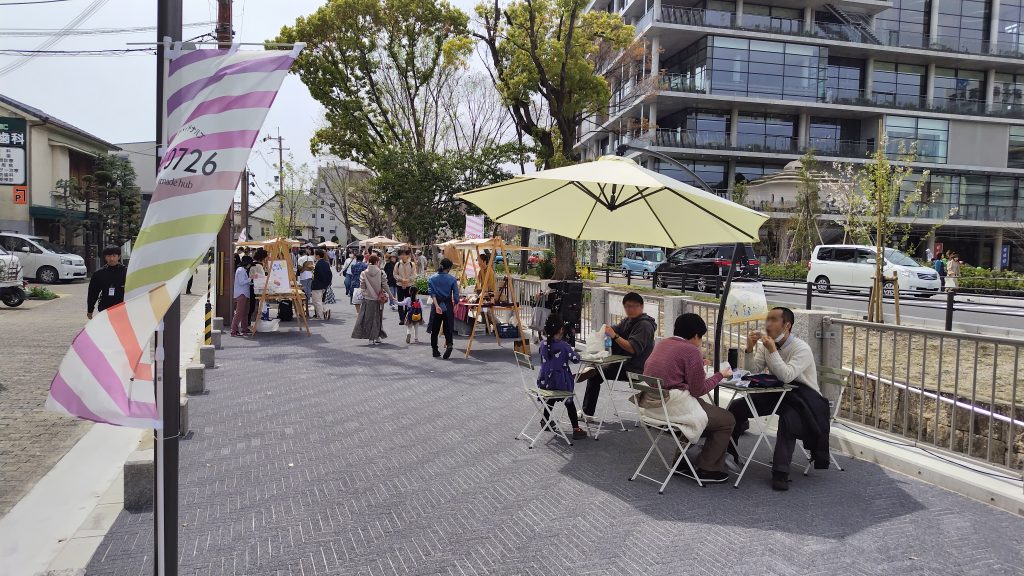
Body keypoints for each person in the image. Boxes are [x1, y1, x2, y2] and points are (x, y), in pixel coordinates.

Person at [728, 307, 829, 491]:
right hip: (778, 393)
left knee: (788, 421)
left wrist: (772, 350)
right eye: (767, 319)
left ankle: (780, 472)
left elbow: (787, 376)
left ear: (787, 325)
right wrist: (750, 349)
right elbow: (753, 371)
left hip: (804, 397)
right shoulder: (768, 345)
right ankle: (729, 454)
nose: (768, 324)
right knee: (736, 407)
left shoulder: (801, 348)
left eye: (774, 320)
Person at [643, 313, 734, 483]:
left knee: (707, 414)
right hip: (675, 408)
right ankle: (708, 468)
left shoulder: (663, 343)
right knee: (727, 419)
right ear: (696, 335)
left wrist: (698, 365)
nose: (700, 343)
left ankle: (683, 461)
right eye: (701, 338)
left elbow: (667, 371)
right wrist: (720, 375)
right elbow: (698, 390)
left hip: (653, 406)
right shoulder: (691, 351)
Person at [578, 292, 657, 421]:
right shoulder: (628, 321)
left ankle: (587, 413)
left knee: (595, 373)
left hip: (634, 368)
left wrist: (614, 336)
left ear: (641, 307)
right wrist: (603, 332)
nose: (630, 309)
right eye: (627, 306)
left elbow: (632, 348)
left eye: (634, 306)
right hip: (622, 363)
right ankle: (586, 371)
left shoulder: (645, 326)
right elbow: (615, 329)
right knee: (594, 367)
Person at [537, 313, 588, 440]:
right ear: (561, 330)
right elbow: (576, 359)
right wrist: (572, 345)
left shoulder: (543, 344)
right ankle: (576, 428)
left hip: (545, 382)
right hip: (561, 383)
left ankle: (545, 420)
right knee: (569, 402)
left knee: (551, 399)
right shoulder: (563, 345)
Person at [351, 254, 389, 345]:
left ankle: (374, 338)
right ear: (376, 262)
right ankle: (376, 337)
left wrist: (365, 293)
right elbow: (385, 285)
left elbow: (362, 286)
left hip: (368, 298)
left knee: (368, 318)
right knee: (378, 317)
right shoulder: (381, 272)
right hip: (379, 299)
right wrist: (391, 296)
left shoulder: (364, 273)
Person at [428, 257, 460, 359]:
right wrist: (456, 304)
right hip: (447, 305)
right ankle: (449, 344)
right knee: (448, 327)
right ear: (449, 268)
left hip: (437, 304)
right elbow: (456, 294)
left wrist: (437, 306)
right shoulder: (452, 279)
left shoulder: (432, 278)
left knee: (435, 329)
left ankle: (435, 350)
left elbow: (432, 294)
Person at [87, 246, 127, 319]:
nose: (111, 258)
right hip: (105, 308)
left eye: (114, 256)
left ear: (119, 257)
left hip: (123, 308)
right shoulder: (99, 274)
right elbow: (92, 293)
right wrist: (90, 310)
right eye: (108, 256)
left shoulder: (127, 272)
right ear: (105, 257)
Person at [231, 256, 253, 336]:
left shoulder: (243, 270)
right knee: (239, 312)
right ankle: (234, 330)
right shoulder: (240, 270)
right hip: (241, 294)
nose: (250, 266)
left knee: (245, 312)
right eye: (250, 264)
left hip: (244, 293)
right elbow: (241, 282)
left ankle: (244, 328)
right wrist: (250, 278)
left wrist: (250, 281)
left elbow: (245, 282)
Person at [394, 249, 417, 325]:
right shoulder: (397, 264)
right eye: (401, 254)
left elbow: (414, 274)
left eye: (404, 254)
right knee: (400, 302)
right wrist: (401, 279)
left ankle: (408, 317)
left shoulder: (412, 264)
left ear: (408, 255)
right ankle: (401, 319)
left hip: (409, 286)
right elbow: (395, 274)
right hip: (400, 285)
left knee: (409, 303)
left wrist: (407, 280)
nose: (403, 256)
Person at [310, 249, 333, 320]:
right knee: (319, 300)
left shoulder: (318, 264)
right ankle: (324, 311)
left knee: (316, 301)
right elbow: (330, 274)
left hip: (317, 285)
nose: (314, 256)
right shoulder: (326, 263)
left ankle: (321, 315)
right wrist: (327, 283)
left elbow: (318, 275)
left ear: (317, 256)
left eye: (315, 255)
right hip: (324, 285)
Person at [248, 248, 268, 324]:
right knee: (254, 306)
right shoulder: (258, 266)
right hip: (256, 288)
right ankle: (252, 322)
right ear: (263, 258)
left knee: (252, 306)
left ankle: (250, 322)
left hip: (251, 287)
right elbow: (262, 278)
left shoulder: (253, 264)